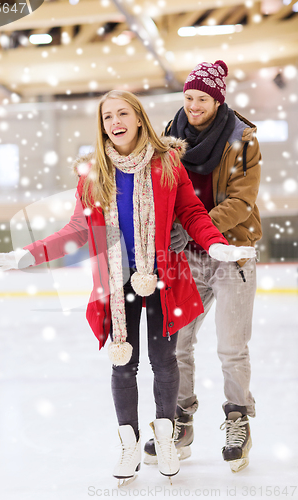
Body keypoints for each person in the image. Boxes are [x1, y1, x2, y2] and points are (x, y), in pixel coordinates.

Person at [0, 89, 256, 484]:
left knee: (165, 361)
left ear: (137, 118)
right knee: (123, 363)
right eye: (106, 117)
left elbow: (193, 213)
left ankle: (166, 436)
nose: (114, 122)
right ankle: (128, 444)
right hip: (116, 282)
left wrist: (216, 244)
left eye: (121, 114)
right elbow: (78, 230)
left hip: (163, 277)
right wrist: (31, 254)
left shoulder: (166, 164)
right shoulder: (95, 173)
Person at [143, 60, 262, 473]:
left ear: (217, 100)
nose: (193, 106)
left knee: (231, 347)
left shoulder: (242, 139)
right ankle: (181, 418)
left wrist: (196, 228)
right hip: (185, 256)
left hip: (232, 250)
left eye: (202, 99)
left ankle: (237, 418)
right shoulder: (166, 137)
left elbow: (241, 201)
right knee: (177, 342)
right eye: (189, 97)